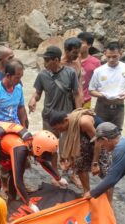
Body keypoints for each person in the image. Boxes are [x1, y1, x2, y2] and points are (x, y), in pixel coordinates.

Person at [0, 121, 68, 211]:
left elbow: (42, 161)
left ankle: (11, 202)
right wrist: (29, 203)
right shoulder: (20, 150)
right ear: (38, 149)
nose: (45, 157)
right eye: (45, 154)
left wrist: (58, 178)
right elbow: (18, 182)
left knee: (16, 172)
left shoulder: (32, 142)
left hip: (2, 150)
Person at [28, 46, 81, 175]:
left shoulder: (70, 73)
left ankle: (72, 174)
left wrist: (78, 112)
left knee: (70, 146)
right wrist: (33, 100)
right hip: (49, 116)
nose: (44, 63)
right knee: (50, 145)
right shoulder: (42, 75)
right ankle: (55, 173)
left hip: (66, 117)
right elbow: (38, 93)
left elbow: (77, 93)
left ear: (56, 60)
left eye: (47, 60)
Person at [48, 110, 111, 196]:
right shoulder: (69, 123)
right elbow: (71, 143)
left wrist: (95, 163)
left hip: (102, 140)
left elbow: (98, 142)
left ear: (66, 120)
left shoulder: (84, 122)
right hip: (87, 138)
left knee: (105, 171)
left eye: (60, 128)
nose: (60, 131)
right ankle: (86, 192)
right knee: (79, 163)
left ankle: (109, 200)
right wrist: (71, 159)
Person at [89, 42, 125, 130]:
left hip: (119, 107)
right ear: (105, 54)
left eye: (115, 56)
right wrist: (102, 95)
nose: (111, 59)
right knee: (99, 132)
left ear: (121, 53)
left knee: (117, 134)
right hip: (102, 107)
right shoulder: (98, 71)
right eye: (108, 57)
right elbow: (91, 90)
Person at [77, 32, 102, 109]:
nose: (78, 45)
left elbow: (100, 82)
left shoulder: (95, 62)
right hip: (68, 99)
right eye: (77, 43)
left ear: (89, 45)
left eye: (81, 43)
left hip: (85, 100)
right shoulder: (71, 60)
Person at [61, 38, 85, 103]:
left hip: (76, 97)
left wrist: (81, 94)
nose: (77, 55)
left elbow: (79, 79)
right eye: (74, 53)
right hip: (63, 99)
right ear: (66, 51)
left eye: (79, 52)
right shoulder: (60, 64)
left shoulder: (77, 59)